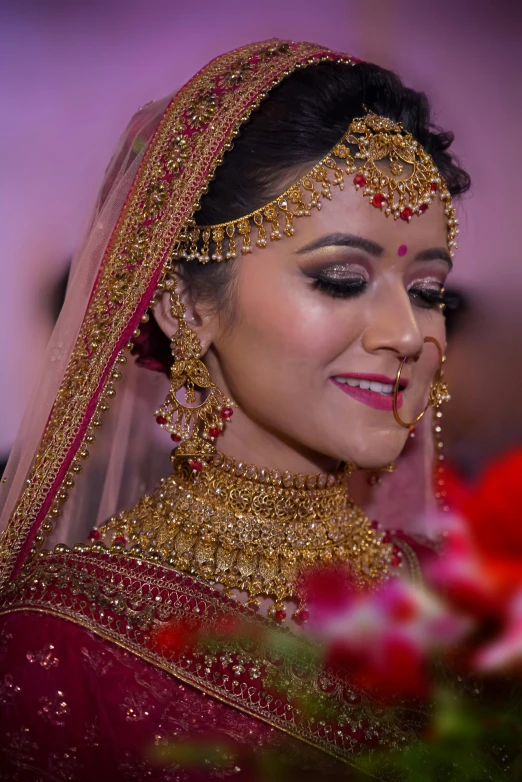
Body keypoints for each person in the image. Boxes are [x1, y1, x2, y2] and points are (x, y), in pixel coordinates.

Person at [0, 40, 470, 779]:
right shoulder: (61, 642)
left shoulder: (462, 601)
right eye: (342, 279)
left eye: (429, 292)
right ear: (184, 304)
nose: (408, 335)